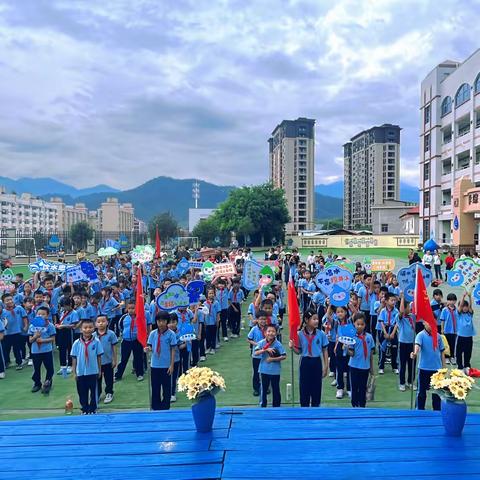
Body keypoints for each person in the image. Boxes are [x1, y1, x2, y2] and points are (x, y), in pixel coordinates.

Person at [289, 310, 328, 407]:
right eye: (314, 319)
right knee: (304, 388)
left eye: (317, 319)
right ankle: (304, 410)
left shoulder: (321, 334)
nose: (316, 321)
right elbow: (299, 351)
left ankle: (316, 409)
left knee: (316, 388)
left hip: (316, 362)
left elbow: (325, 350)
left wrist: (326, 366)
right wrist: (292, 347)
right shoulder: (299, 334)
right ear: (306, 320)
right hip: (305, 362)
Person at [71, 318, 104, 414]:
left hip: (93, 371)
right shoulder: (76, 343)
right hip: (80, 372)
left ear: (94, 328)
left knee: (94, 392)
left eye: (90, 327)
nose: (88, 329)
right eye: (85, 327)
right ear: (81, 329)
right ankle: (84, 408)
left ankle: (93, 409)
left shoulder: (96, 342)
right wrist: (74, 372)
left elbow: (99, 357)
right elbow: (74, 358)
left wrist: (99, 370)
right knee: (82, 392)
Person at [145, 311, 177, 410]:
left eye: (163, 321)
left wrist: (171, 365)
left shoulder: (171, 334)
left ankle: (165, 407)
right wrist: (147, 349)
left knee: (167, 388)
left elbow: (173, 350)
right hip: (155, 365)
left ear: (167, 321)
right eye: (159, 321)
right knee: (155, 387)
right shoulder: (153, 333)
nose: (161, 323)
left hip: (166, 365)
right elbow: (150, 345)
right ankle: (156, 407)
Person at [411, 321, 446, 410]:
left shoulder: (438, 336)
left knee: (437, 394)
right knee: (421, 393)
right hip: (423, 369)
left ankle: (437, 412)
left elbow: (442, 352)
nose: (431, 324)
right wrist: (415, 353)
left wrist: (444, 368)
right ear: (424, 323)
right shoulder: (420, 335)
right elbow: (417, 345)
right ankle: (419, 411)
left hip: (436, 370)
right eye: (429, 322)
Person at [254, 324, 286, 407]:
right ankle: (263, 405)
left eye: (273, 331)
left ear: (276, 333)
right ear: (265, 333)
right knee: (263, 389)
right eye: (269, 331)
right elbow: (256, 353)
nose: (270, 333)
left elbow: (284, 356)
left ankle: (276, 406)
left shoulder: (278, 344)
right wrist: (265, 349)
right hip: (264, 370)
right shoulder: (261, 343)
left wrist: (273, 359)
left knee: (276, 389)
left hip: (275, 371)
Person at [346, 312, 375, 408]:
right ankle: (354, 406)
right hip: (354, 366)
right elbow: (352, 353)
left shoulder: (369, 337)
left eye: (362, 324)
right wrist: (346, 348)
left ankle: (362, 406)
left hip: (365, 367)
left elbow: (371, 354)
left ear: (365, 324)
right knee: (354, 388)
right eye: (357, 324)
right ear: (354, 324)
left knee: (363, 388)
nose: (360, 326)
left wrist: (371, 368)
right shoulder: (352, 338)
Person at [28, 306, 56, 394]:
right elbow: (30, 340)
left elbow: (52, 339)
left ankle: (48, 382)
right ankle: (37, 383)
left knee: (50, 368)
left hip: (47, 350)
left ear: (47, 315)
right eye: (39, 314)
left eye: (43, 314)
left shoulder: (50, 326)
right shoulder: (32, 326)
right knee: (36, 368)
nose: (41, 315)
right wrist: (35, 336)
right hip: (35, 351)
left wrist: (43, 340)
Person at [115, 301, 145, 381]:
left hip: (137, 341)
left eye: (133, 308)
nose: (131, 310)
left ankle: (140, 374)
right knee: (124, 359)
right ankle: (118, 375)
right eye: (129, 308)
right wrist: (124, 334)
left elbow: (142, 327)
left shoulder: (139, 317)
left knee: (138, 358)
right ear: (127, 309)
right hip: (126, 341)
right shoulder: (124, 317)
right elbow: (120, 326)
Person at [94, 315, 118, 404]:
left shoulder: (111, 334)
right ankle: (98, 393)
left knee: (109, 378)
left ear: (107, 322)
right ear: (95, 324)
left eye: (103, 321)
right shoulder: (93, 335)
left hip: (108, 361)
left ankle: (109, 393)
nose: (101, 323)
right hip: (96, 363)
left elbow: (114, 347)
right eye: (98, 322)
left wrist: (114, 359)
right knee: (97, 379)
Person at [0, 293, 28, 370]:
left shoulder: (19, 308)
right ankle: (6, 362)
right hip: (6, 334)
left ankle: (19, 363)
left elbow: (24, 317)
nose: (9, 301)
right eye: (7, 300)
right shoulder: (3, 311)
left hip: (17, 332)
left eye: (10, 299)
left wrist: (25, 326)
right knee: (6, 349)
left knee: (17, 349)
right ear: (3, 302)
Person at [56, 297, 79, 375]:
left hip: (69, 332)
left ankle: (70, 365)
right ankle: (62, 366)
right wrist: (58, 325)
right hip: (61, 332)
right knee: (62, 349)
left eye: (65, 306)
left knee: (70, 348)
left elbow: (74, 325)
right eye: (63, 306)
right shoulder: (62, 312)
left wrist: (64, 326)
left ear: (70, 304)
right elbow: (60, 321)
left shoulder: (74, 313)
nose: (64, 308)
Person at [397, 294, 416, 391]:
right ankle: (402, 382)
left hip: (412, 344)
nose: (410, 308)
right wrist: (403, 298)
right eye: (408, 307)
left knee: (412, 363)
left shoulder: (412, 316)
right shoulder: (400, 318)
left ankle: (410, 382)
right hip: (403, 343)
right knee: (403, 364)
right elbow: (401, 312)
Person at [247, 311, 267, 396]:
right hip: (256, 355)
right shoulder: (254, 329)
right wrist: (256, 344)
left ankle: (266, 387)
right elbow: (248, 339)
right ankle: (256, 388)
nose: (263, 321)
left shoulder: (268, 329)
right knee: (256, 372)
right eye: (261, 319)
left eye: (264, 319)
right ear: (257, 320)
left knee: (266, 372)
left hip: (266, 354)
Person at [378, 293, 399, 374]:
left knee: (394, 349)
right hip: (385, 329)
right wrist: (385, 333)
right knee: (382, 349)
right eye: (391, 300)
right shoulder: (383, 311)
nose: (393, 302)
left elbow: (397, 323)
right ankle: (381, 367)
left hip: (393, 329)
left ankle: (395, 367)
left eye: (394, 300)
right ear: (386, 301)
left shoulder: (396, 311)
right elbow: (381, 322)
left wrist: (393, 333)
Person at [456, 292, 476, 372]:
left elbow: (471, 305)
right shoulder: (459, 314)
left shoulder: (470, 314)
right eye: (463, 306)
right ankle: (460, 366)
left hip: (469, 337)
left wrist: (470, 297)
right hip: (461, 336)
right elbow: (460, 306)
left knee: (468, 352)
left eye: (466, 307)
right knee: (459, 352)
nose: (465, 308)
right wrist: (463, 296)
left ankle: (467, 365)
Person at [440, 293, 458, 364]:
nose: (451, 302)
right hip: (447, 330)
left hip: (454, 331)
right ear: (447, 301)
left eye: (453, 300)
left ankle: (452, 357)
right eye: (449, 300)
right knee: (446, 345)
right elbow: (442, 320)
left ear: (455, 301)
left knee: (453, 344)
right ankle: (447, 357)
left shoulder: (457, 310)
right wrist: (442, 329)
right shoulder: (445, 310)